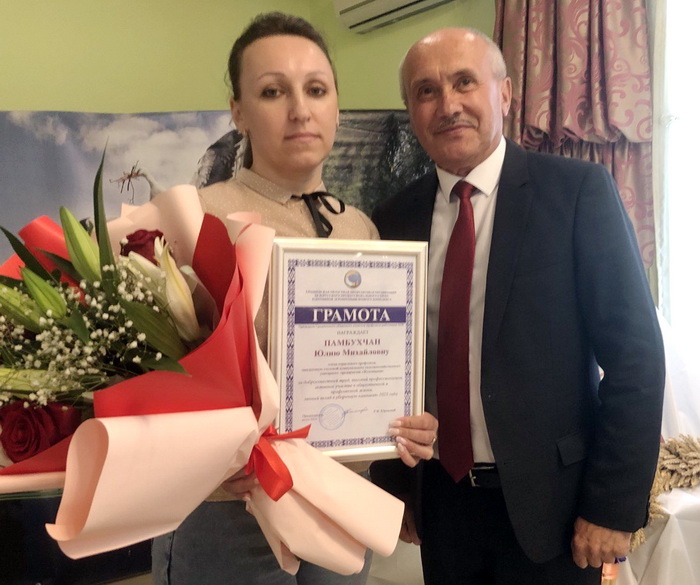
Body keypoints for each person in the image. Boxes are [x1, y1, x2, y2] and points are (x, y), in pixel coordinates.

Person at [371, 27, 665, 585]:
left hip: (556, 510)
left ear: (504, 93)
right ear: (411, 110)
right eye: (426, 90)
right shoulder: (392, 219)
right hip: (443, 506)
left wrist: (612, 505)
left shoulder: (577, 193)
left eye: (464, 82)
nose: (448, 104)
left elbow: (636, 358)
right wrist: (396, 485)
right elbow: (386, 366)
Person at [151, 12, 437, 585]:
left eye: (316, 90)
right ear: (238, 111)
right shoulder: (195, 216)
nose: (300, 110)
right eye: (272, 91)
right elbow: (143, 376)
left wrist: (406, 422)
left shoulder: (362, 229)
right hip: (231, 513)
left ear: (336, 106)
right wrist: (205, 458)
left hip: (342, 502)